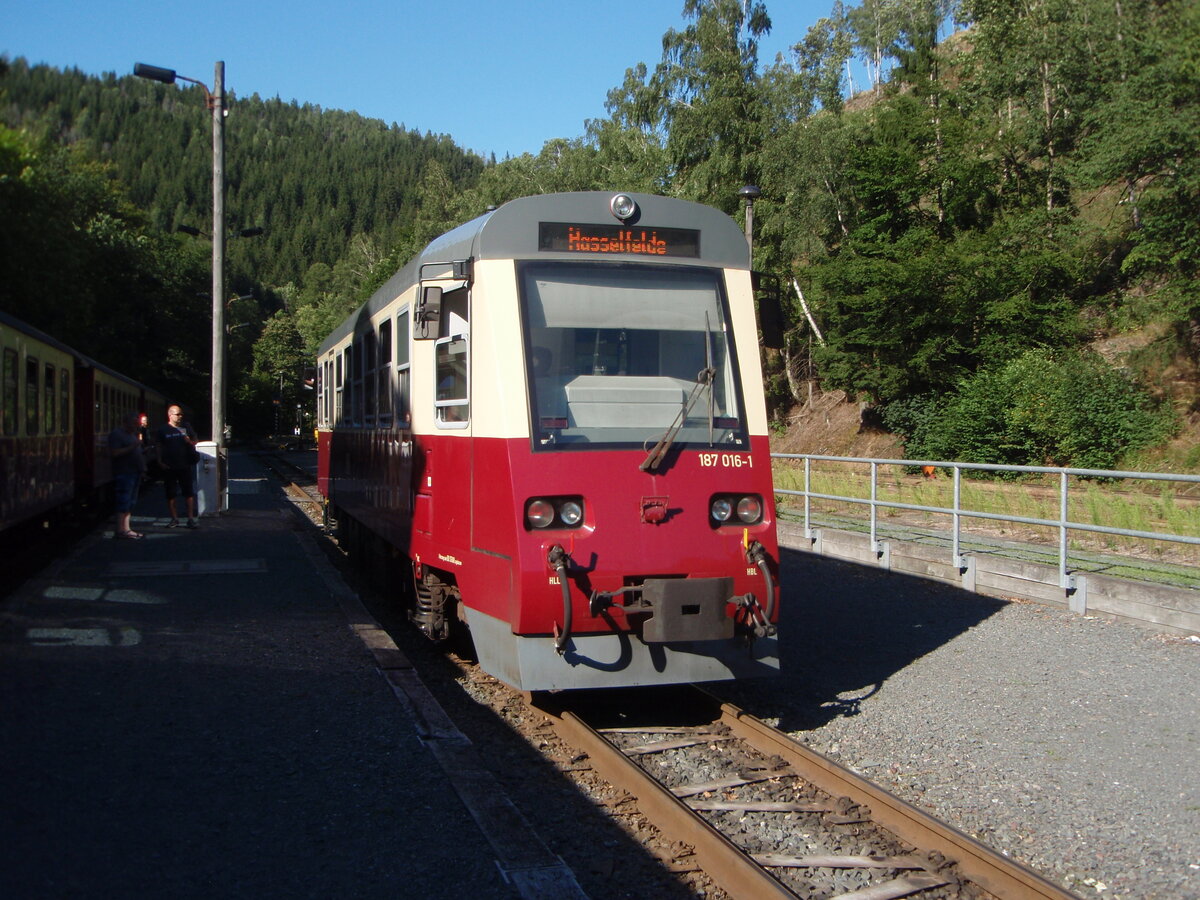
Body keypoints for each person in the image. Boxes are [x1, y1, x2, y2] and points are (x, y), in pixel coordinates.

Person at [155, 405, 199, 529]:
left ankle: (190, 519)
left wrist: (189, 441)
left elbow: (196, 441)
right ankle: (174, 519)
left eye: (181, 414)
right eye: (177, 414)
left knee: (188, 493)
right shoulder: (163, 430)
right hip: (169, 466)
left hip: (184, 464)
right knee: (171, 494)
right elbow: (158, 446)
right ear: (170, 415)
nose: (180, 417)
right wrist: (159, 461)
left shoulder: (186, 427)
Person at [109, 411, 146, 539]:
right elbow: (115, 453)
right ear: (126, 422)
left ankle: (126, 528)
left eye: (137, 424)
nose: (136, 426)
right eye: (134, 424)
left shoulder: (132, 434)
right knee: (123, 501)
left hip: (134, 472)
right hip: (124, 472)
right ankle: (120, 530)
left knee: (130, 502)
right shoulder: (117, 435)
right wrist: (133, 446)